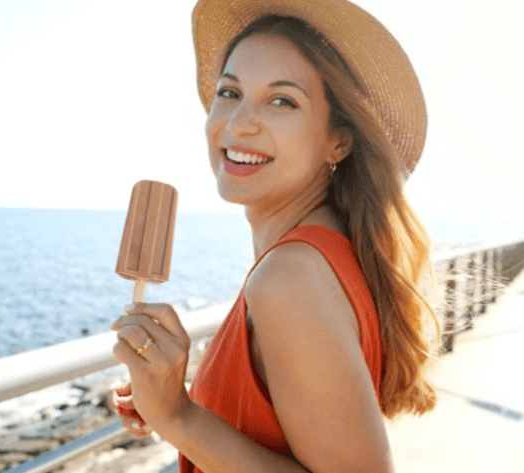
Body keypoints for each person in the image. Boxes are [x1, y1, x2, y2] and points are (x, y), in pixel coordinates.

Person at [110, 0, 439, 471]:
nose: (239, 122)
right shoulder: (322, 255)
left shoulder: (290, 277)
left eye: (282, 100)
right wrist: (166, 400)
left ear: (337, 140)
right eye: (229, 92)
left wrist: (179, 417)